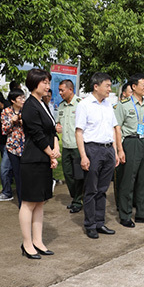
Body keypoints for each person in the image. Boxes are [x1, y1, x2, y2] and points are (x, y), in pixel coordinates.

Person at [19, 69, 60, 259]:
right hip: (33, 159)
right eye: (44, 82)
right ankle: (27, 244)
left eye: (48, 82)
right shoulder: (29, 106)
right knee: (29, 202)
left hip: (44, 158)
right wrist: (51, 153)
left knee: (40, 202)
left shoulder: (43, 104)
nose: (47, 85)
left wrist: (55, 150)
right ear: (34, 82)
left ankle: (38, 241)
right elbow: (37, 135)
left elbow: (52, 131)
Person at [75, 72, 120, 239]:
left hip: (108, 149)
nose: (109, 89)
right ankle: (90, 224)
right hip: (92, 150)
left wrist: (115, 151)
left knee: (103, 189)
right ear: (96, 86)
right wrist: (83, 156)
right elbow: (79, 132)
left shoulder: (108, 105)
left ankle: (100, 222)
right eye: (107, 86)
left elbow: (112, 129)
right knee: (91, 189)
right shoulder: (84, 105)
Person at [114, 73, 144, 228]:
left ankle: (142, 213)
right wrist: (120, 149)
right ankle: (125, 214)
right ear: (133, 87)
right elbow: (117, 128)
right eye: (143, 85)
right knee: (128, 179)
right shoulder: (123, 105)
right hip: (130, 142)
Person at [57, 79, 84, 213]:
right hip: (66, 146)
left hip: (78, 147)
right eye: (59, 90)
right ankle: (77, 197)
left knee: (78, 175)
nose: (60, 93)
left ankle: (77, 201)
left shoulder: (81, 104)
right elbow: (57, 122)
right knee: (68, 175)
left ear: (70, 90)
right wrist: (57, 126)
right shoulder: (61, 106)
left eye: (62, 90)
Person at [1, 88, 26, 207]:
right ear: (13, 100)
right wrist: (12, 121)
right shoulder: (6, 112)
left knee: (27, 174)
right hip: (13, 148)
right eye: (20, 98)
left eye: (23, 97)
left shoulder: (26, 111)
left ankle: (29, 200)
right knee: (17, 174)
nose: (23, 100)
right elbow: (4, 130)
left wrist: (23, 122)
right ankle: (22, 202)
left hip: (26, 147)